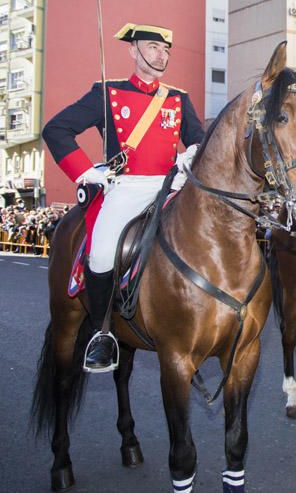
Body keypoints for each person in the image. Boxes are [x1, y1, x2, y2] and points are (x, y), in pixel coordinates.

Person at [42, 23, 205, 372]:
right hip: (127, 187)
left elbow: (198, 140)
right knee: (100, 254)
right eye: (152, 48)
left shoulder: (178, 98)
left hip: (170, 186)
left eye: (165, 51)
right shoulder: (107, 92)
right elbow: (55, 129)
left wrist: (191, 155)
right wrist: (88, 172)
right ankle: (103, 334)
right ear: (133, 51)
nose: (161, 56)